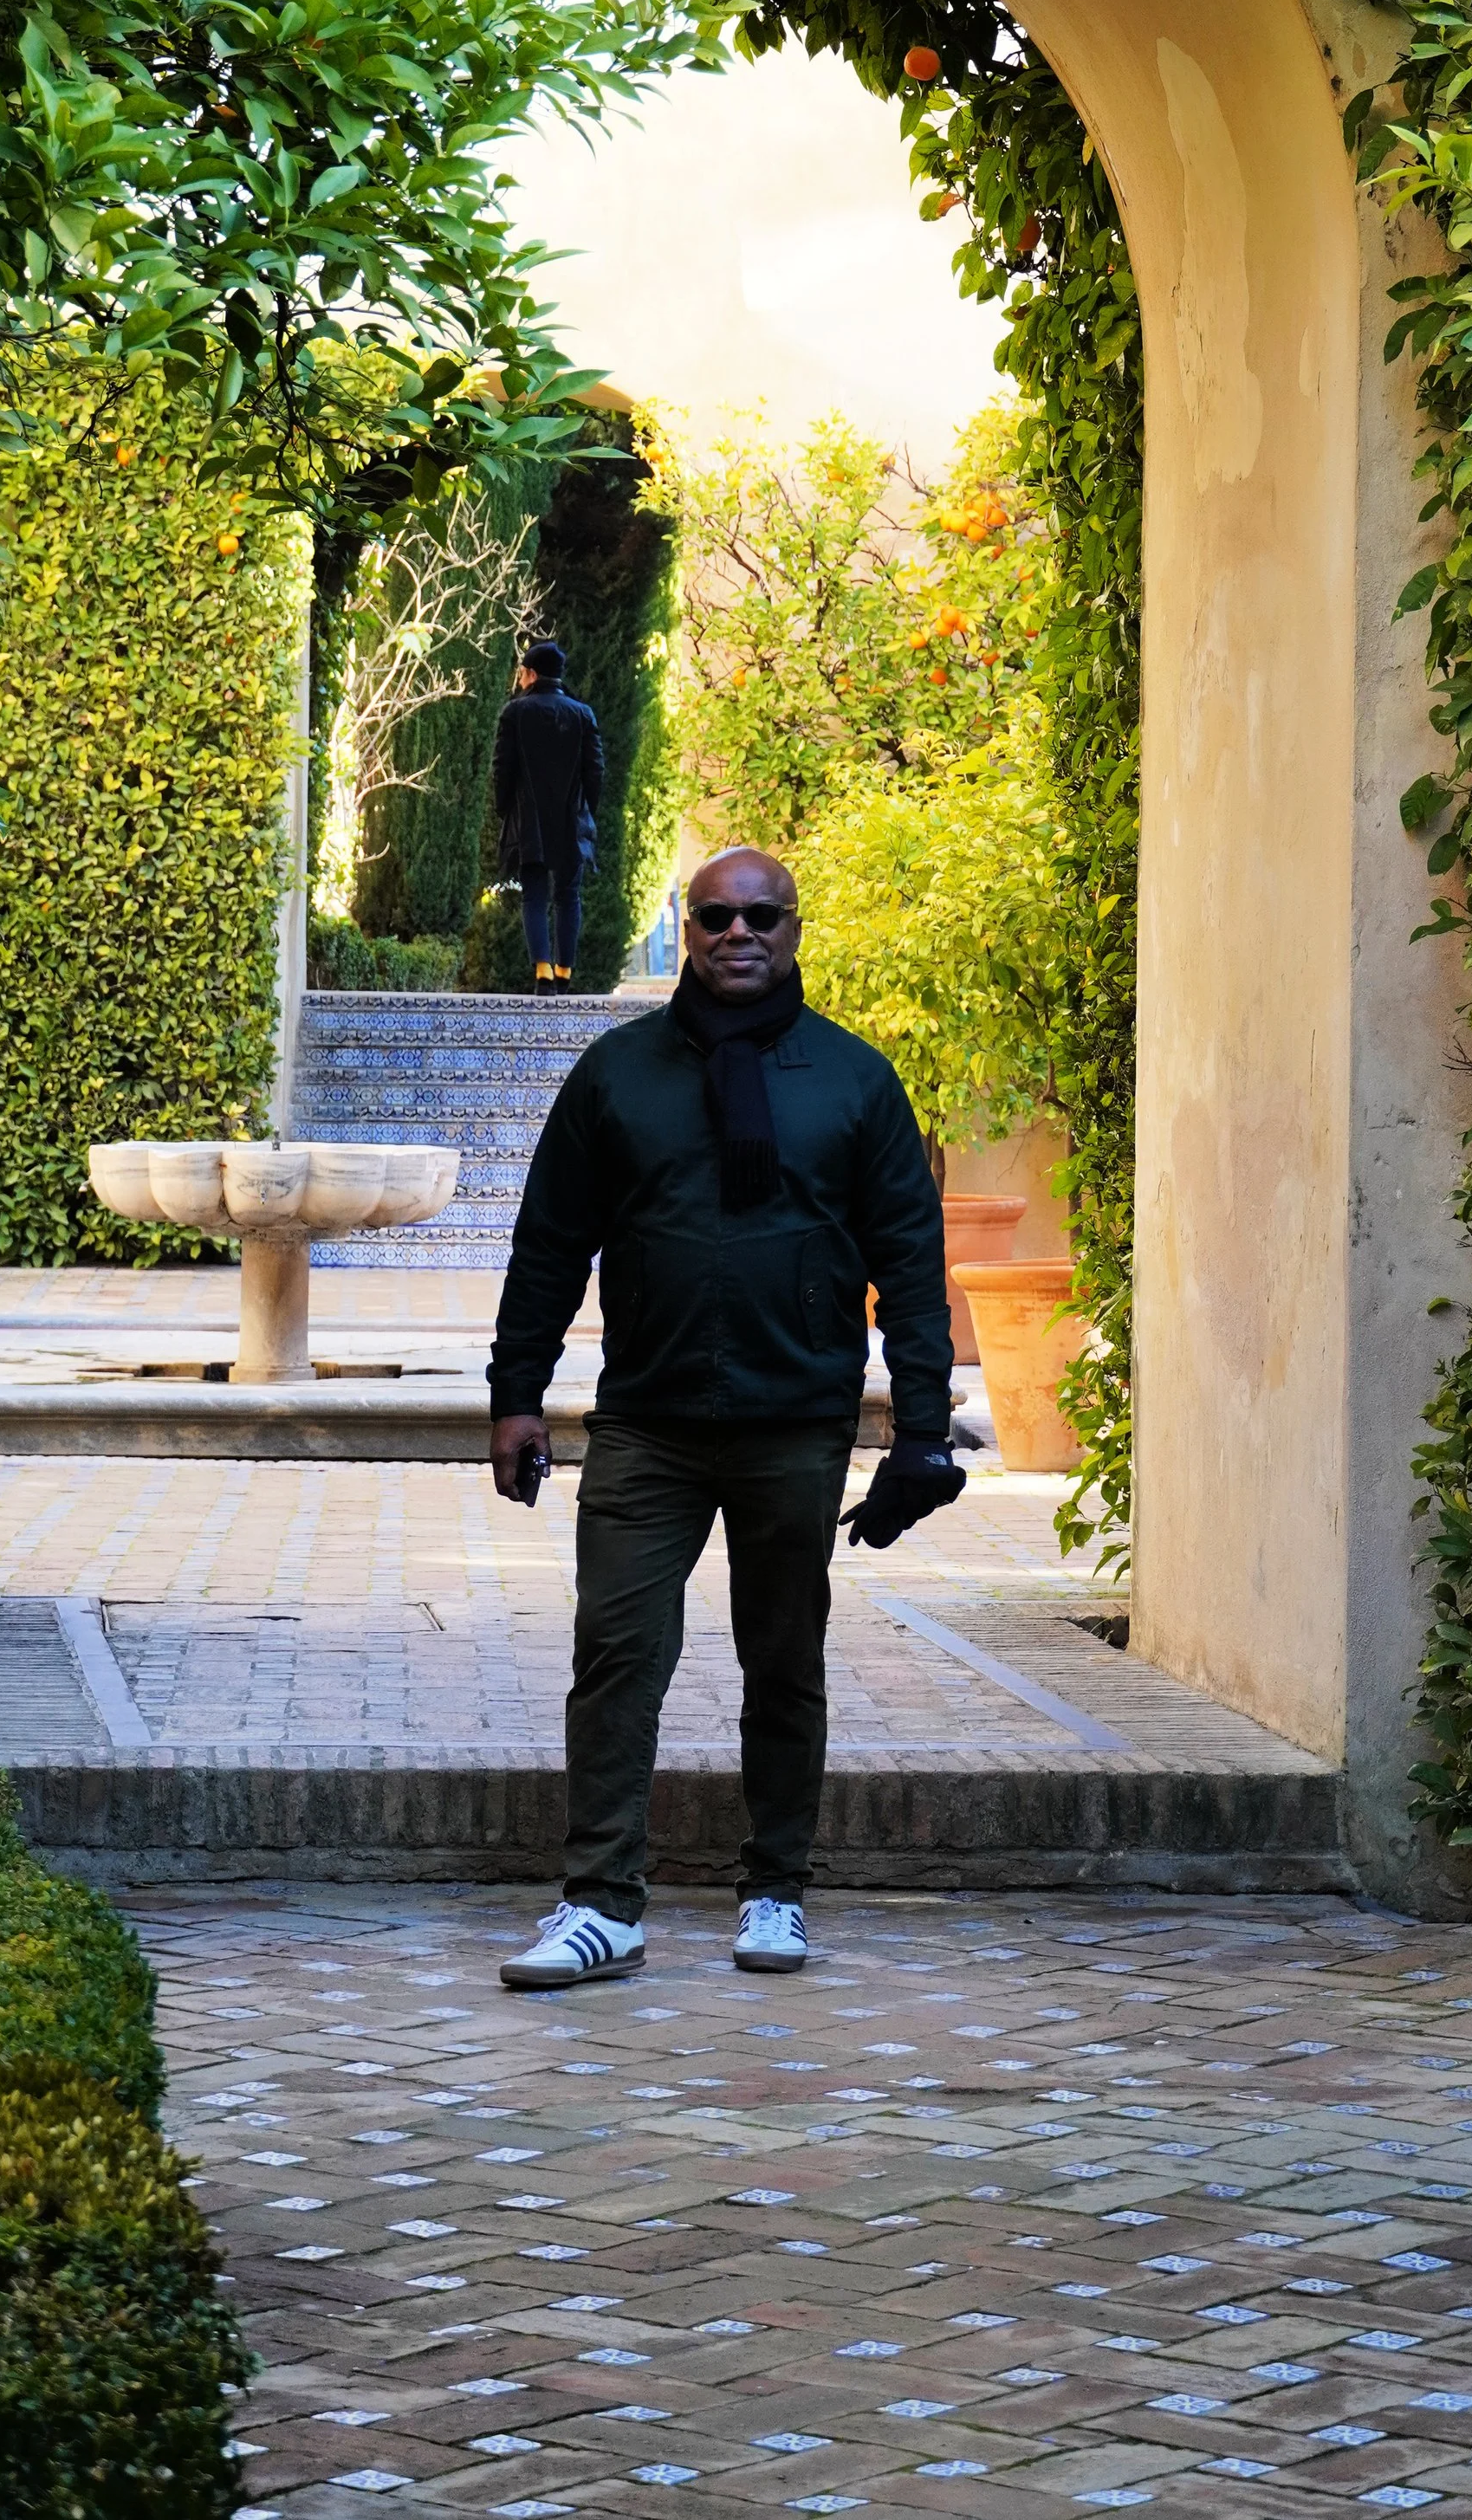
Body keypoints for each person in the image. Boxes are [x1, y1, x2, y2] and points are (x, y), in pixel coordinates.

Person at [486, 844, 963, 1985]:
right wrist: (516, 1395)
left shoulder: (854, 1081)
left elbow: (910, 1259)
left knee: (784, 1662)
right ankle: (602, 1902)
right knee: (615, 1654)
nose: (739, 933)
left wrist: (926, 1430)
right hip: (647, 1419)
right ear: (687, 930)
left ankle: (775, 1889)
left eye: (762, 916)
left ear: (795, 929)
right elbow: (551, 1243)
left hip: (794, 1420)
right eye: (716, 916)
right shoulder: (618, 1074)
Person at [490, 637, 606, 989]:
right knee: (568, 894)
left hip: (530, 820)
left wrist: (503, 806)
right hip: (571, 819)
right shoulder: (583, 714)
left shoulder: (515, 712)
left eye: (522, 673)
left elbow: (502, 767)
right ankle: (564, 971)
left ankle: (542, 968)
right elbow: (595, 769)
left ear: (531, 673)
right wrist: (588, 811)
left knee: (534, 894)